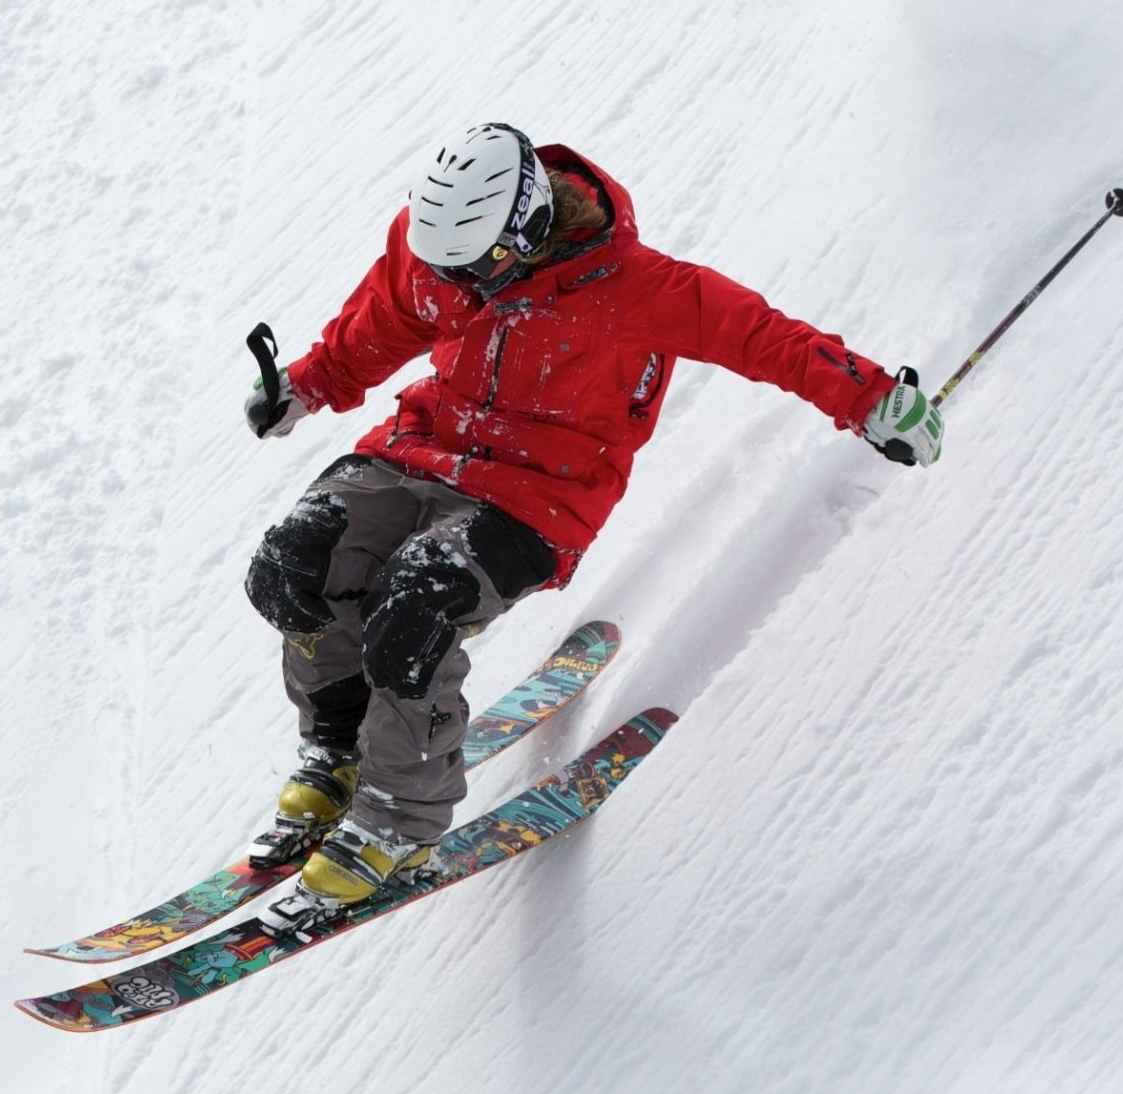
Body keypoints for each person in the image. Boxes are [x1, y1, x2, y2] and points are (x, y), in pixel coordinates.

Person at [242, 122, 942, 911]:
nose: (462, 284)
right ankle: (340, 746)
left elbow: (766, 339)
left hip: (536, 495)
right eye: (448, 267)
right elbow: (391, 314)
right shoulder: (442, 244)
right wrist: (307, 383)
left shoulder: (640, 289)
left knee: (412, 605)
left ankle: (400, 813)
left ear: (528, 225)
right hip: (421, 448)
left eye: (476, 267)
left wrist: (873, 397)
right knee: (292, 563)